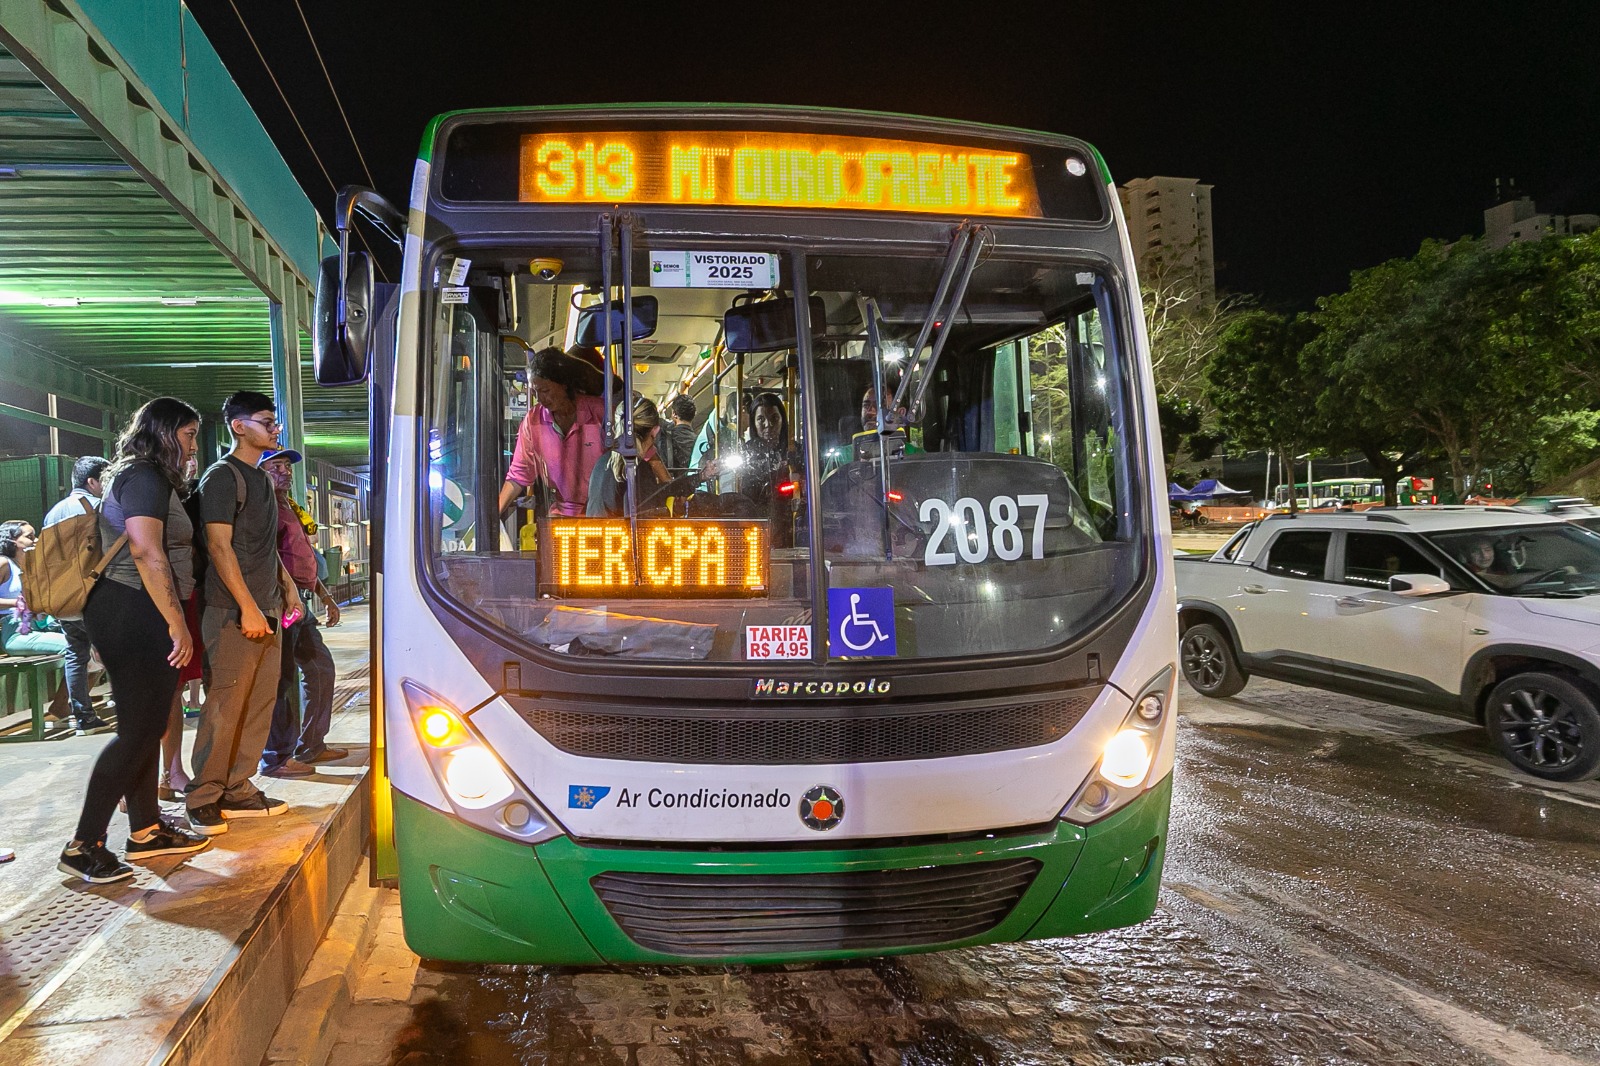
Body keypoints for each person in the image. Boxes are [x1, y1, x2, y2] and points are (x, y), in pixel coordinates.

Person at [57, 398, 210, 884]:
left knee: (144, 725)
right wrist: (177, 623)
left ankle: (144, 829)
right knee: (139, 731)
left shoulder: (138, 475)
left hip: (130, 610)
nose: (191, 447)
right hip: (135, 608)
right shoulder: (144, 476)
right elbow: (146, 552)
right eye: (187, 435)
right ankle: (83, 845)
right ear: (164, 434)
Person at [186, 391, 297, 837]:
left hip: (267, 606)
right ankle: (204, 795)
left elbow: (265, 546)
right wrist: (248, 606)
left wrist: (287, 588)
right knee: (225, 704)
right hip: (233, 610)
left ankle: (238, 787)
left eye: (275, 423)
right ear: (238, 426)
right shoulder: (222, 476)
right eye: (267, 421)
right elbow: (218, 545)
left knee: (259, 702)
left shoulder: (261, 479)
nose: (275, 430)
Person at [258, 447, 347, 777]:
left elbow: (303, 556)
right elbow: (270, 557)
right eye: (275, 466)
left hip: (299, 605)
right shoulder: (261, 507)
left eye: (286, 466)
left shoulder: (289, 506)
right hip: (280, 603)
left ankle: (311, 744)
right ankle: (275, 757)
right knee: (281, 681)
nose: (284, 472)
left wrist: (326, 596)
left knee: (321, 669)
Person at [42, 456, 115, 735]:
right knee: (114, 650)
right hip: (95, 595)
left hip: (63, 597)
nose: (107, 486)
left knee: (76, 653)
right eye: (104, 480)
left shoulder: (53, 513)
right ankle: (128, 708)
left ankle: (83, 716)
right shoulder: (97, 508)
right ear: (92, 481)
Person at [498, 346, 608, 519]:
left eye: (545, 391)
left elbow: (639, 454)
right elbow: (519, 474)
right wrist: (491, 518)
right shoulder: (533, 421)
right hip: (562, 519)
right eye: (535, 392)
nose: (541, 399)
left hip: (604, 516)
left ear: (564, 384)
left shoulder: (601, 413)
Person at [586, 398, 673, 518]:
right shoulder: (637, 468)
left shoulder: (603, 461)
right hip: (620, 536)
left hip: (595, 534)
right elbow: (644, 520)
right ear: (655, 431)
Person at [0, 520, 70, 659]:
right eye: (30, 537)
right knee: (73, 647)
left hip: (40, 625)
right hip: (14, 630)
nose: (36, 540)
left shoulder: (29, 567)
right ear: (12, 541)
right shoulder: (4, 563)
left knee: (93, 643)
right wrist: (17, 603)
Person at [657, 395, 698, 474]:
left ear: (674, 413)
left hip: (673, 483)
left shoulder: (665, 436)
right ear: (694, 414)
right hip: (695, 482)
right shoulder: (699, 440)